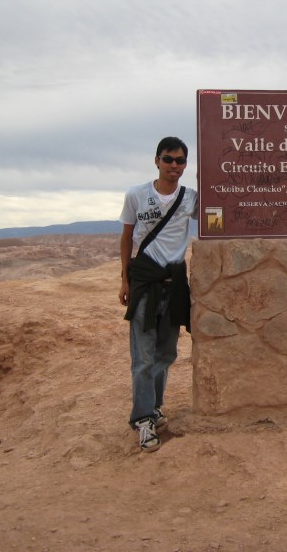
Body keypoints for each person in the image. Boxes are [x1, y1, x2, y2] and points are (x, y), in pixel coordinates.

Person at [119, 137, 198, 453]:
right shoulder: (136, 195)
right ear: (156, 160)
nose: (174, 166)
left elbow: (218, 212)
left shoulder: (190, 198)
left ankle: (155, 407)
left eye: (180, 161)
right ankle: (143, 420)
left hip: (174, 284)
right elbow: (126, 237)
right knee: (143, 357)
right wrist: (124, 279)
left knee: (166, 354)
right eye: (168, 159)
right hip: (145, 283)